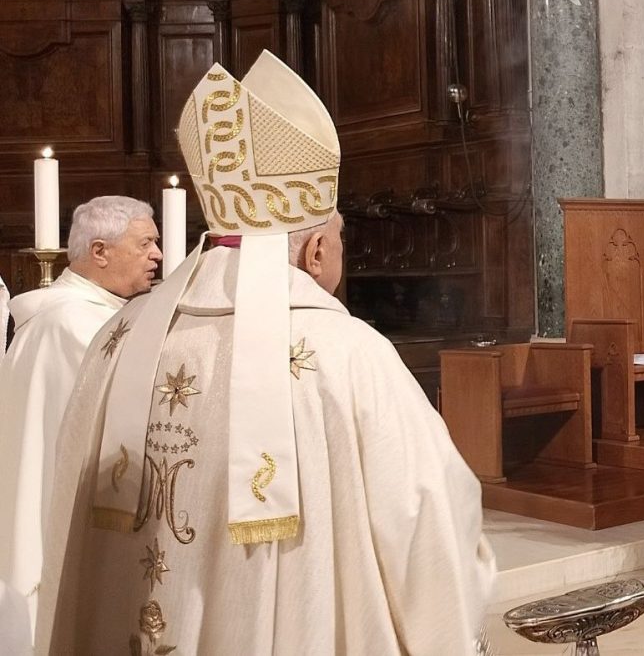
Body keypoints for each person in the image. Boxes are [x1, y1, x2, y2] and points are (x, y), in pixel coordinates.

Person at [37, 51, 495, 655]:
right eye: (338, 241)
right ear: (313, 253)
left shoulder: (116, 339)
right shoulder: (349, 355)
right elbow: (428, 530)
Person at [0, 196, 161, 632]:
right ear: (100, 252)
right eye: (145, 243)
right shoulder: (77, 326)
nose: (158, 255)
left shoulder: (66, 318)